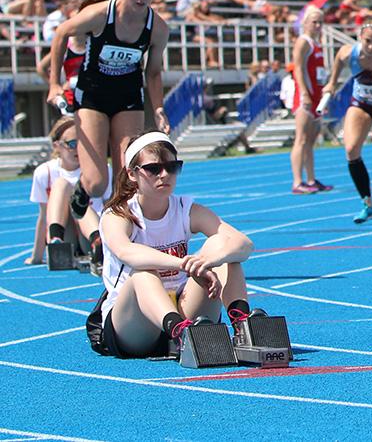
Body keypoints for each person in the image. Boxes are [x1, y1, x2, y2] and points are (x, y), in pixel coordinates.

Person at [96, 131, 259, 359]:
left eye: (172, 167)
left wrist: (208, 262)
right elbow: (127, 252)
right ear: (133, 174)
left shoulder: (185, 208)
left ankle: (243, 327)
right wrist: (184, 264)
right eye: (153, 169)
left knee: (225, 254)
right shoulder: (118, 215)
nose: (164, 175)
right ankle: (180, 333)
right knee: (143, 275)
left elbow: (244, 243)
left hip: (183, 309)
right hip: (134, 325)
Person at [47, 0, 171, 229]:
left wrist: (159, 109)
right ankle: (82, 187)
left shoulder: (158, 28)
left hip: (128, 99)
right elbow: (60, 34)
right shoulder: (101, 14)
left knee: (126, 179)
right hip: (92, 97)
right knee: (97, 182)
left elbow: (153, 72)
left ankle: (113, 237)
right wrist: (54, 84)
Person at [321, 17, 372, 223]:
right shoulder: (348, 52)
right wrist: (331, 83)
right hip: (361, 105)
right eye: (368, 41)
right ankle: (368, 204)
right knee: (351, 150)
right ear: (359, 37)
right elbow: (337, 65)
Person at [28, 117, 110, 268]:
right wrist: (36, 256)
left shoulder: (101, 169)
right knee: (61, 185)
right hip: (67, 238)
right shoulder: (44, 172)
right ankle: (56, 242)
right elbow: (44, 215)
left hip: (90, 235)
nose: (78, 149)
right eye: (72, 144)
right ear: (57, 146)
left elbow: (110, 207)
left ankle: (97, 242)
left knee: (79, 203)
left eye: (82, 144)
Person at [290, 7, 332, 194]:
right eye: (314, 22)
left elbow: (319, 75)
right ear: (305, 22)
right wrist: (305, 93)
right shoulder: (303, 42)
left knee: (310, 141)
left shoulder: (317, 44)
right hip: (305, 97)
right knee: (301, 139)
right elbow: (298, 69)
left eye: (320, 22)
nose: (317, 26)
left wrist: (323, 98)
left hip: (316, 97)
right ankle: (297, 181)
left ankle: (311, 179)